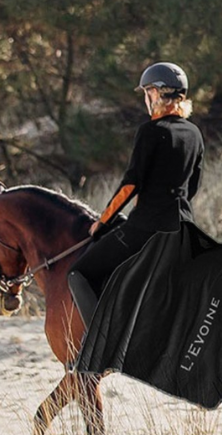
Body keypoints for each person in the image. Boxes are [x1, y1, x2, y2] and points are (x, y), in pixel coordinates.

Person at [68, 62, 205, 329]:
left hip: (147, 227)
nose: (145, 99)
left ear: (155, 93)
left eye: (146, 92)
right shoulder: (194, 133)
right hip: (184, 227)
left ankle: (101, 345)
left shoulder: (150, 131)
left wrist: (103, 222)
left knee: (79, 273)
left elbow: (130, 186)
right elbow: (193, 187)